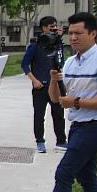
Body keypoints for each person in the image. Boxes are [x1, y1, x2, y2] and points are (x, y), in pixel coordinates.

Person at [24, 12, 97, 192]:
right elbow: (55, 99)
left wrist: (76, 102)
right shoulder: (70, 62)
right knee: (88, 178)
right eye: (71, 33)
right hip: (77, 126)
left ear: (93, 34)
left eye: (79, 33)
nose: (73, 38)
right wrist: (55, 81)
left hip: (95, 127)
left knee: (64, 172)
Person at [21, 16, 68, 153]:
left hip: (56, 86)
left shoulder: (58, 44)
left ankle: (61, 141)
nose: (52, 29)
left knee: (59, 114)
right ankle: (40, 141)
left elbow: (61, 61)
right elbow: (25, 64)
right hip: (40, 87)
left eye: (54, 27)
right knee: (39, 115)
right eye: (50, 27)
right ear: (43, 28)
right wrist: (34, 80)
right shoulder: (36, 45)